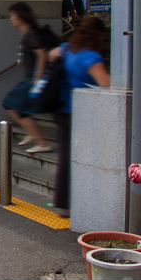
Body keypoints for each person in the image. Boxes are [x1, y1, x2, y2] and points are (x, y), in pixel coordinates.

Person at [48, 16, 110, 217]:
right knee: (81, 156)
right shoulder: (91, 58)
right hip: (80, 113)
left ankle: (63, 201)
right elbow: (106, 84)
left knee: (66, 155)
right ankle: (77, 200)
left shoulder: (67, 48)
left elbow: (51, 54)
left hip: (59, 107)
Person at [1, 2, 59, 152]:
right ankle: (33, 135)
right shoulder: (27, 33)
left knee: (9, 103)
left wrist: (38, 79)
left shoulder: (32, 33)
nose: (11, 19)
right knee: (19, 107)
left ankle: (41, 142)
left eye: (14, 15)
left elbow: (41, 55)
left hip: (33, 78)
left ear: (22, 16)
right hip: (31, 77)